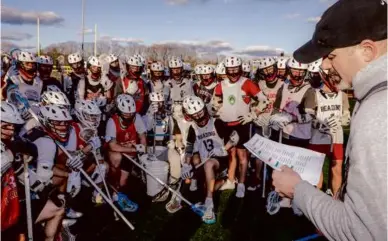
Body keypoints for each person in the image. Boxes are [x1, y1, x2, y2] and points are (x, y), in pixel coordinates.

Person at [272, 1, 387, 240]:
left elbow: (363, 231)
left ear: (367, 51)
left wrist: (297, 190)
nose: (324, 65)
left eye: (331, 55)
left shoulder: (377, 111)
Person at [213, 56, 267, 198]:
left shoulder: (247, 82)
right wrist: (217, 109)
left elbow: (264, 101)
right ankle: (231, 180)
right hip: (226, 124)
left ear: (241, 69)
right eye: (230, 71)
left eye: (236, 70)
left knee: (242, 155)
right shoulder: (221, 84)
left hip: (242, 124)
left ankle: (241, 184)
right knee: (231, 154)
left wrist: (253, 114)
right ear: (226, 71)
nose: (233, 74)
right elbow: (216, 101)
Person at [181, 95, 239, 224]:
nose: (200, 121)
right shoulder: (193, 128)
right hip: (204, 160)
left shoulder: (216, 122)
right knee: (205, 187)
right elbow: (189, 149)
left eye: (201, 116)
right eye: (196, 117)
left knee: (208, 165)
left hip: (219, 160)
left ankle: (209, 205)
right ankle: (224, 182)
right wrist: (186, 165)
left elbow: (235, 137)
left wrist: (225, 148)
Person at [306, 59, 350, 196]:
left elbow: (346, 116)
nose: (335, 78)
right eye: (332, 75)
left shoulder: (342, 94)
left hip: (336, 136)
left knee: (336, 169)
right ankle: (317, 199)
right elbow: (307, 117)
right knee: (316, 171)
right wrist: (320, 124)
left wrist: (342, 121)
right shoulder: (313, 93)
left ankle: (335, 198)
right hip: (318, 137)